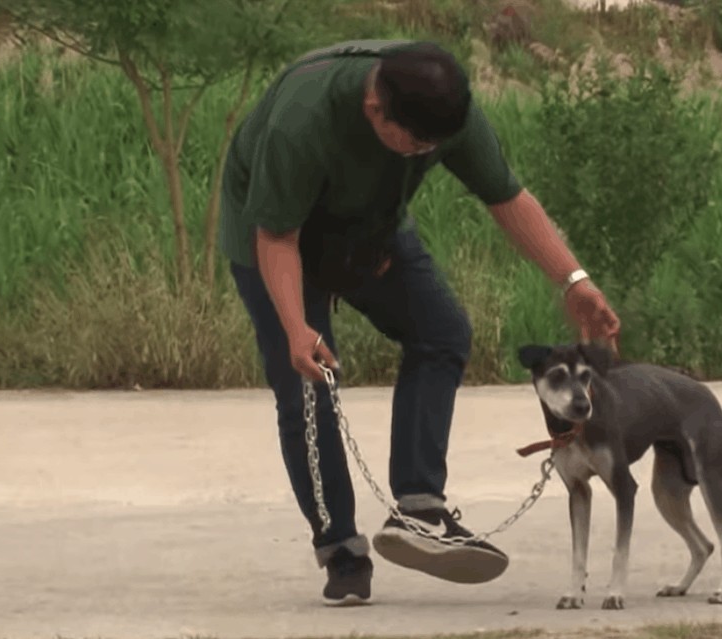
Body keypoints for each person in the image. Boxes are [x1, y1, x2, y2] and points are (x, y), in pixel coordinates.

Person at [219, 39, 621, 606]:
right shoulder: (302, 121)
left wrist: (574, 280)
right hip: (274, 239)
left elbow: (507, 197)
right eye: (417, 144)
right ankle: (341, 551)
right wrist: (294, 324)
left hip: (370, 230)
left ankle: (419, 509)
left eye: (435, 145)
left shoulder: (443, 108)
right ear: (375, 109)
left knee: (442, 331)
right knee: (309, 383)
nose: (426, 153)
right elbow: (278, 237)